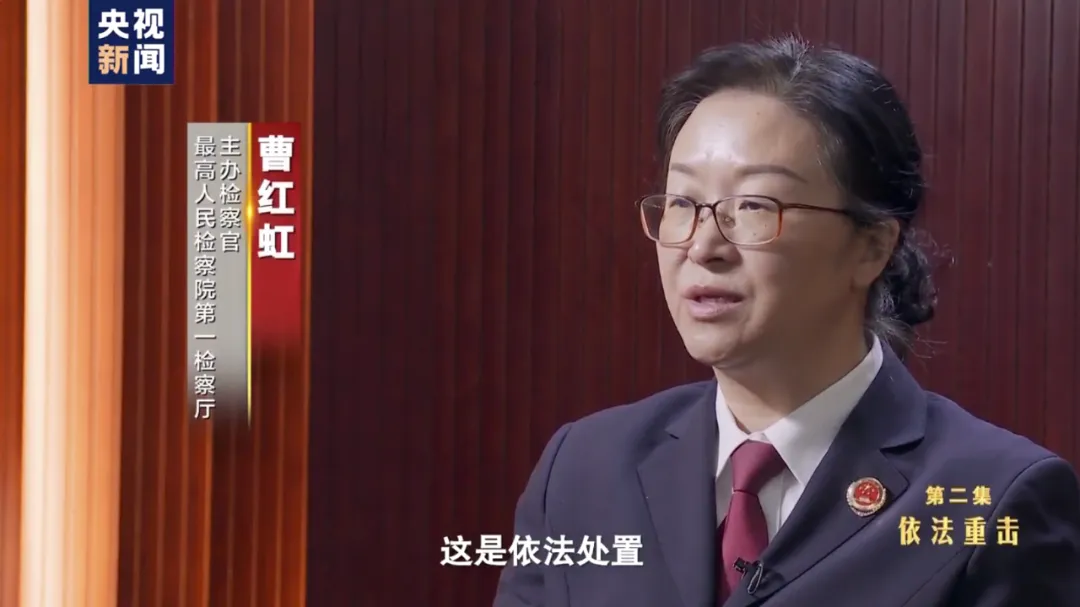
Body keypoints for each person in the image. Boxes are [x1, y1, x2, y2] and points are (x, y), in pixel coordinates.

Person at [493, 36, 1080, 607]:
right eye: (682, 204)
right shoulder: (583, 468)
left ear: (871, 246)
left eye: (754, 205)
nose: (703, 246)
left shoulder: (991, 499)